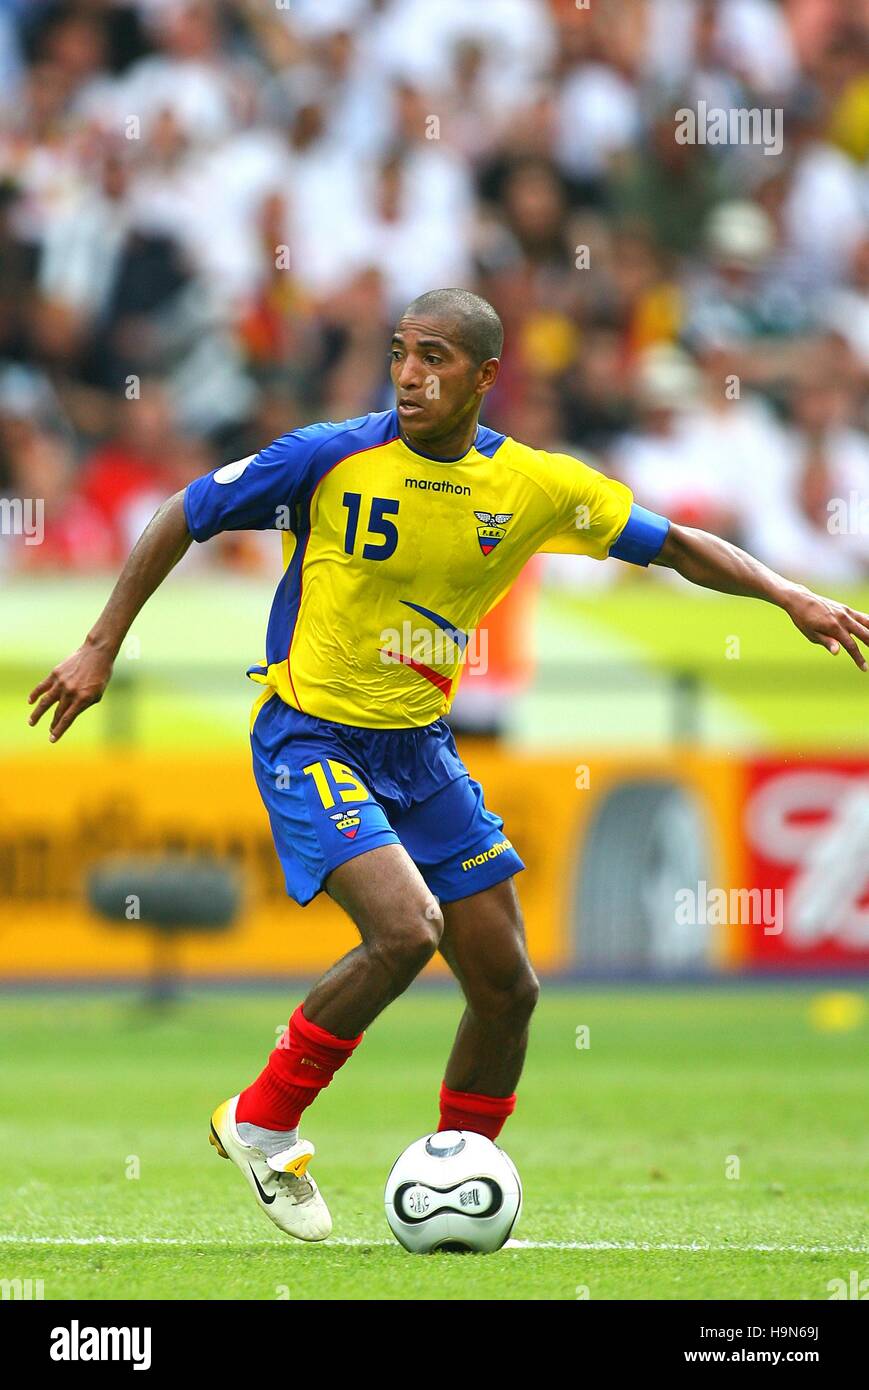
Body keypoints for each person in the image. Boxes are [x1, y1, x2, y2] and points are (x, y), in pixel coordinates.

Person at [28, 288, 869, 1242]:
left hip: (420, 749)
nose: (409, 373)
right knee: (406, 928)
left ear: (484, 375)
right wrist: (100, 646)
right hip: (310, 733)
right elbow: (187, 511)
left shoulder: (535, 487)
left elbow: (673, 544)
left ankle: (459, 1176)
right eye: (399, 352)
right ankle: (262, 1119)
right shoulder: (329, 455)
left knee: (507, 986)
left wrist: (786, 594)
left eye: (434, 356)